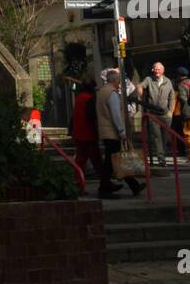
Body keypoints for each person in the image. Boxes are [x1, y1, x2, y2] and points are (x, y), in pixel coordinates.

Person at [96, 69, 143, 197]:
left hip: (106, 130)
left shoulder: (102, 92)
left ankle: (134, 185)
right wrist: (122, 131)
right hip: (112, 131)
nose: (120, 84)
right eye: (119, 81)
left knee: (114, 160)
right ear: (115, 81)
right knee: (112, 161)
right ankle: (104, 188)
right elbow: (116, 114)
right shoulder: (112, 93)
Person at [137, 61, 176, 166]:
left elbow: (172, 97)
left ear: (163, 71)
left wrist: (171, 112)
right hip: (153, 114)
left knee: (164, 136)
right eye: (155, 69)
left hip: (165, 114)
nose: (157, 71)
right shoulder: (149, 79)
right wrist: (140, 91)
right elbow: (140, 86)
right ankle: (161, 159)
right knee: (157, 137)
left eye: (159, 69)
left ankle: (162, 156)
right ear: (152, 70)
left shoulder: (168, 81)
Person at [69, 80, 104, 182]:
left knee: (81, 158)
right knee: (95, 158)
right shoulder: (90, 98)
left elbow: (73, 116)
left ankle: (79, 180)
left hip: (79, 132)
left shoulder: (79, 97)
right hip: (88, 133)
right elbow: (91, 116)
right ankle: (103, 180)